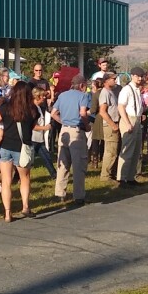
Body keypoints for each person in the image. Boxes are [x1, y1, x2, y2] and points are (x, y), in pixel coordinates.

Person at [0, 81, 36, 221]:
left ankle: (7, 213)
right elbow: (33, 126)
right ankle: (25, 207)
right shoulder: (32, 110)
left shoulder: (6, 108)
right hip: (22, 148)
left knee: (6, 181)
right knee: (25, 178)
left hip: (5, 146)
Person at [51, 73, 90, 207]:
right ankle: (79, 196)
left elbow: (53, 113)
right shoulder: (83, 96)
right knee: (79, 165)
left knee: (63, 163)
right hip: (76, 131)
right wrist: (87, 125)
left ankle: (59, 193)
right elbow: (83, 113)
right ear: (81, 85)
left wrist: (62, 122)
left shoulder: (62, 95)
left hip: (64, 131)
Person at [117, 70, 145, 186]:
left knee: (136, 150)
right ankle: (121, 178)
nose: (140, 78)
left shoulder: (138, 90)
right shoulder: (127, 89)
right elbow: (121, 107)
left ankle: (130, 177)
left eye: (141, 76)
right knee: (127, 149)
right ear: (132, 76)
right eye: (138, 76)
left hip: (137, 119)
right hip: (129, 119)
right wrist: (127, 122)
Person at [96, 72, 121, 180]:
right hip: (111, 125)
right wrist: (113, 125)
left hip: (114, 123)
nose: (115, 80)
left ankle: (110, 173)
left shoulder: (111, 92)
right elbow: (102, 111)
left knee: (113, 151)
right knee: (110, 152)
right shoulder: (105, 93)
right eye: (113, 79)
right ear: (106, 80)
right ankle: (105, 175)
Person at [29, 83, 56, 176]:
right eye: (43, 96)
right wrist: (45, 127)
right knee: (28, 161)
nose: (44, 98)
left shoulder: (38, 107)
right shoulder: (32, 108)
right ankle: (54, 175)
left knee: (46, 157)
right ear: (37, 96)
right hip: (33, 138)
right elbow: (32, 126)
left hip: (38, 138)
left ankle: (54, 175)